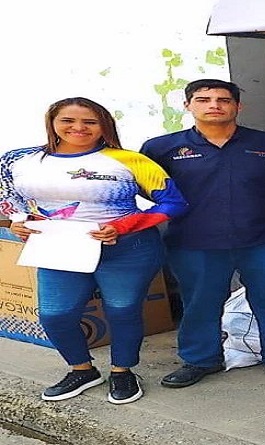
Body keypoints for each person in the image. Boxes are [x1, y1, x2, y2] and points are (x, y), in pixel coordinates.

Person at [141, 79, 265, 388]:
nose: (214, 105)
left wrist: (258, 208)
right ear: (188, 105)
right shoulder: (161, 148)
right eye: (203, 100)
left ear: (238, 106)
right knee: (200, 303)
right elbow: (149, 187)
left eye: (223, 100)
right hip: (194, 241)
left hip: (264, 238)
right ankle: (199, 360)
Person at [0, 97, 188, 404]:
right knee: (55, 314)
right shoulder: (19, 161)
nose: (79, 128)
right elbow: (11, 202)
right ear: (52, 123)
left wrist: (123, 226)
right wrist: (18, 223)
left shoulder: (130, 160)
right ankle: (82, 370)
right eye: (67, 121)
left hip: (126, 248)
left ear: (104, 126)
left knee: (122, 310)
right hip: (59, 249)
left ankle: (122, 371)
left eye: (90, 122)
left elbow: (174, 203)